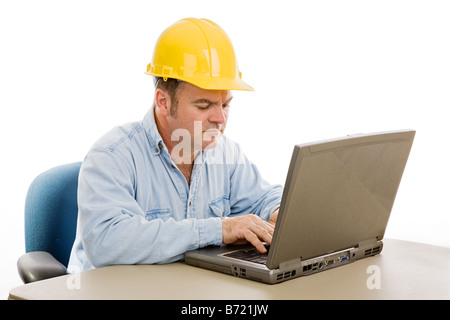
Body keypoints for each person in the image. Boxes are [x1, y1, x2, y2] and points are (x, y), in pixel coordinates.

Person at [68, 18, 282, 272]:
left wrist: (280, 212)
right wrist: (220, 230)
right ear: (163, 102)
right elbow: (107, 242)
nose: (220, 119)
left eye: (225, 105)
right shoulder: (112, 156)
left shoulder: (225, 153)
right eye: (204, 105)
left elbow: (263, 198)